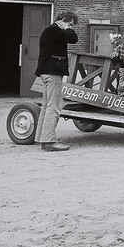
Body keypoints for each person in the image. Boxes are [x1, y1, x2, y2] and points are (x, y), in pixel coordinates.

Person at [34, 10, 79, 152]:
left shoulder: (49, 31)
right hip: (53, 72)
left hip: (46, 72)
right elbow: (74, 38)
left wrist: (64, 26)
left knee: (47, 106)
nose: (71, 27)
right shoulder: (55, 31)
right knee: (54, 106)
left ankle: (41, 138)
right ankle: (49, 141)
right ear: (63, 21)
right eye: (70, 24)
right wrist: (65, 26)